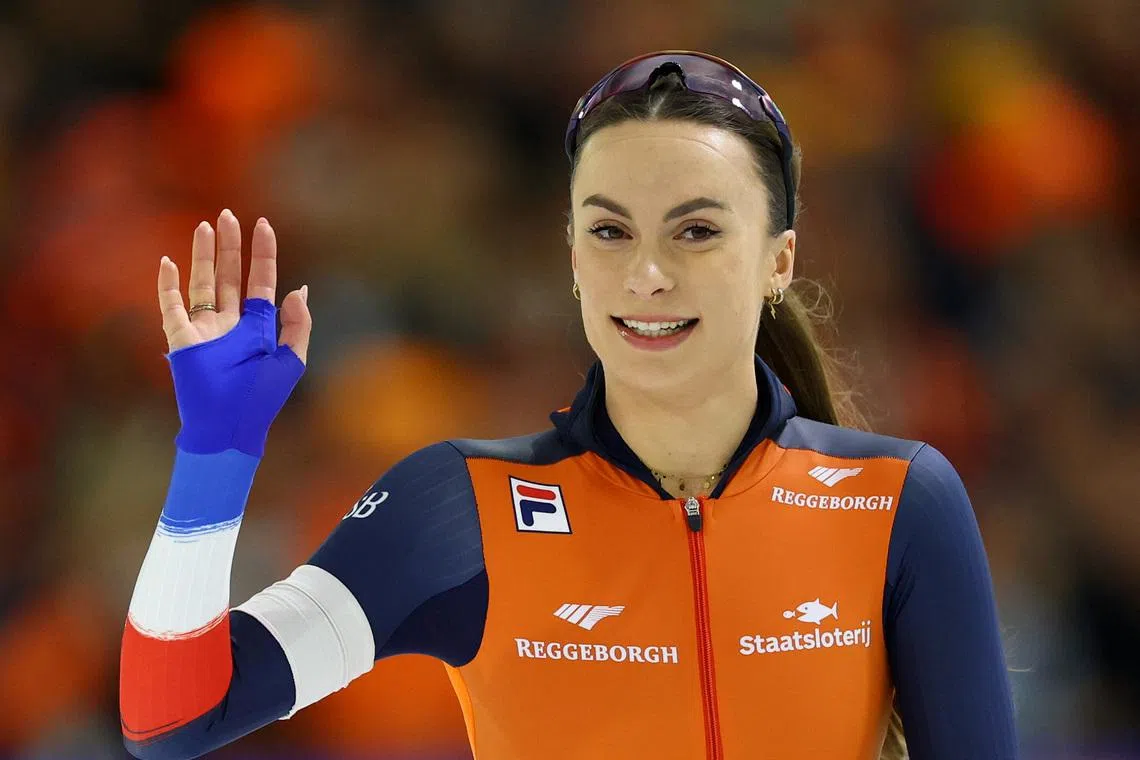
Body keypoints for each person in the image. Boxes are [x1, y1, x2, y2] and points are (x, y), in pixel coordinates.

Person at [120, 51, 1018, 760]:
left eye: (697, 230)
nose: (648, 274)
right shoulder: (458, 510)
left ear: (778, 260)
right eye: (610, 230)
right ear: (574, 255)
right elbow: (172, 720)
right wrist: (216, 451)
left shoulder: (897, 503)